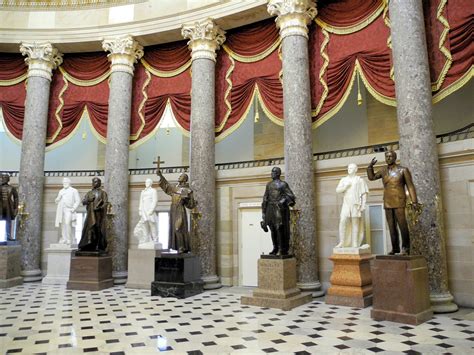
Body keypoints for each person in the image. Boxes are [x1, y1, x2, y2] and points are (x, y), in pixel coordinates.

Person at [367, 150, 419, 255]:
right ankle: (395, 248)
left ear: (395, 157)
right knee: (391, 226)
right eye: (387, 157)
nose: (388, 158)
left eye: (390, 156)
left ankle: (406, 248)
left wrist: (414, 201)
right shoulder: (383, 170)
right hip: (388, 201)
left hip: (399, 200)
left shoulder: (403, 170)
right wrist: (370, 167)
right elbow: (371, 177)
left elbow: (410, 186)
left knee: (402, 225)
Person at [157, 170, 196, 253]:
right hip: (173, 210)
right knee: (174, 229)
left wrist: (189, 200)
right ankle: (178, 247)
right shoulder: (175, 188)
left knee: (178, 228)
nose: (179, 177)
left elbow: (190, 205)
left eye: (181, 176)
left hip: (180, 210)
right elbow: (166, 186)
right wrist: (161, 176)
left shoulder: (187, 190)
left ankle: (182, 246)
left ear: (185, 179)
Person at [260, 167, 296, 256]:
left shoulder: (283, 184)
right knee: (272, 229)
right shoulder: (269, 184)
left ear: (278, 174)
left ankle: (282, 249)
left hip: (279, 209)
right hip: (270, 208)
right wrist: (264, 211)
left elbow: (291, 196)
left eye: (273, 172)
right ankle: (275, 248)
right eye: (271, 172)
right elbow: (265, 197)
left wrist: (282, 201)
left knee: (279, 228)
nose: (271, 174)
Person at [335, 163, 369, 248]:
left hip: (356, 203)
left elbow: (364, 193)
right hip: (346, 204)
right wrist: (345, 187)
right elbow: (338, 190)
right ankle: (342, 242)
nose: (349, 169)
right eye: (348, 168)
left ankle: (354, 243)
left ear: (355, 170)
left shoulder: (359, 180)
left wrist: (363, 205)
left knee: (355, 223)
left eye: (351, 168)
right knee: (343, 220)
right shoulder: (344, 180)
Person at [78, 177, 108, 252]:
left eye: (95, 182)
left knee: (98, 229)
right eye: (93, 182)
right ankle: (89, 244)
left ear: (99, 183)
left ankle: (98, 245)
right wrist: (88, 200)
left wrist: (100, 208)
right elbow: (83, 202)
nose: (93, 183)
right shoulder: (89, 193)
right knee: (89, 229)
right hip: (90, 214)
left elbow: (105, 203)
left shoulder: (103, 193)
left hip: (99, 214)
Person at [54, 177, 81, 245]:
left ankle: (69, 239)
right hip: (61, 209)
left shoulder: (73, 190)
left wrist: (73, 208)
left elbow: (78, 200)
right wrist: (57, 199)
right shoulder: (61, 191)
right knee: (62, 224)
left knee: (67, 223)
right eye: (63, 182)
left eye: (66, 182)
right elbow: (57, 199)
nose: (64, 183)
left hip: (69, 209)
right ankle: (64, 238)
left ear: (69, 183)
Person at [134, 178, 159, 246]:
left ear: (151, 183)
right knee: (144, 225)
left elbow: (155, 201)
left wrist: (151, 210)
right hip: (144, 209)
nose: (146, 183)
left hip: (149, 210)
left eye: (148, 182)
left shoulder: (153, 191)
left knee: (152, 224)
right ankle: (146, 239)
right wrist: (140, 210)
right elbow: (141, 201)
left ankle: (155, 239)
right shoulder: (143, 192)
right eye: (146, 182)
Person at [0, 173, 18, 241]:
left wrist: (16, 208)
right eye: (3, 178)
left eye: (5, 178)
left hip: (8, 206)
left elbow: (16, 197)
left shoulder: (12, 188)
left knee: (8, 221)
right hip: (0, 207)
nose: (3, 179)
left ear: (8, 179)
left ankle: (8, 236)